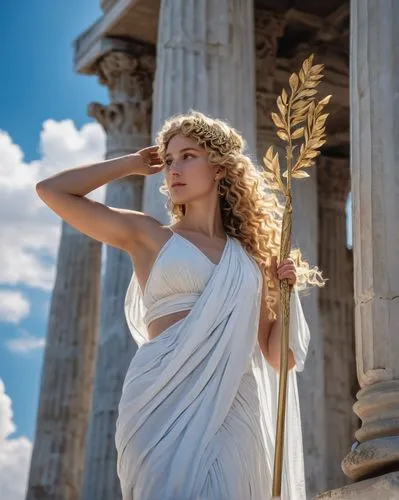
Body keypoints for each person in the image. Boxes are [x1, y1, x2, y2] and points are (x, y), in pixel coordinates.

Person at [36, 111, 325, 499]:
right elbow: (52, 191)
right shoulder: (148, 235)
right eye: (169, 160)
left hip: (232, 409)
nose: (174, 168)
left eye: (188, 156)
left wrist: (287, 295)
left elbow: (279, 359)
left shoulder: (250, 263)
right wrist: (132, 164)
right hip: (159, 401)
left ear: (220, 168)